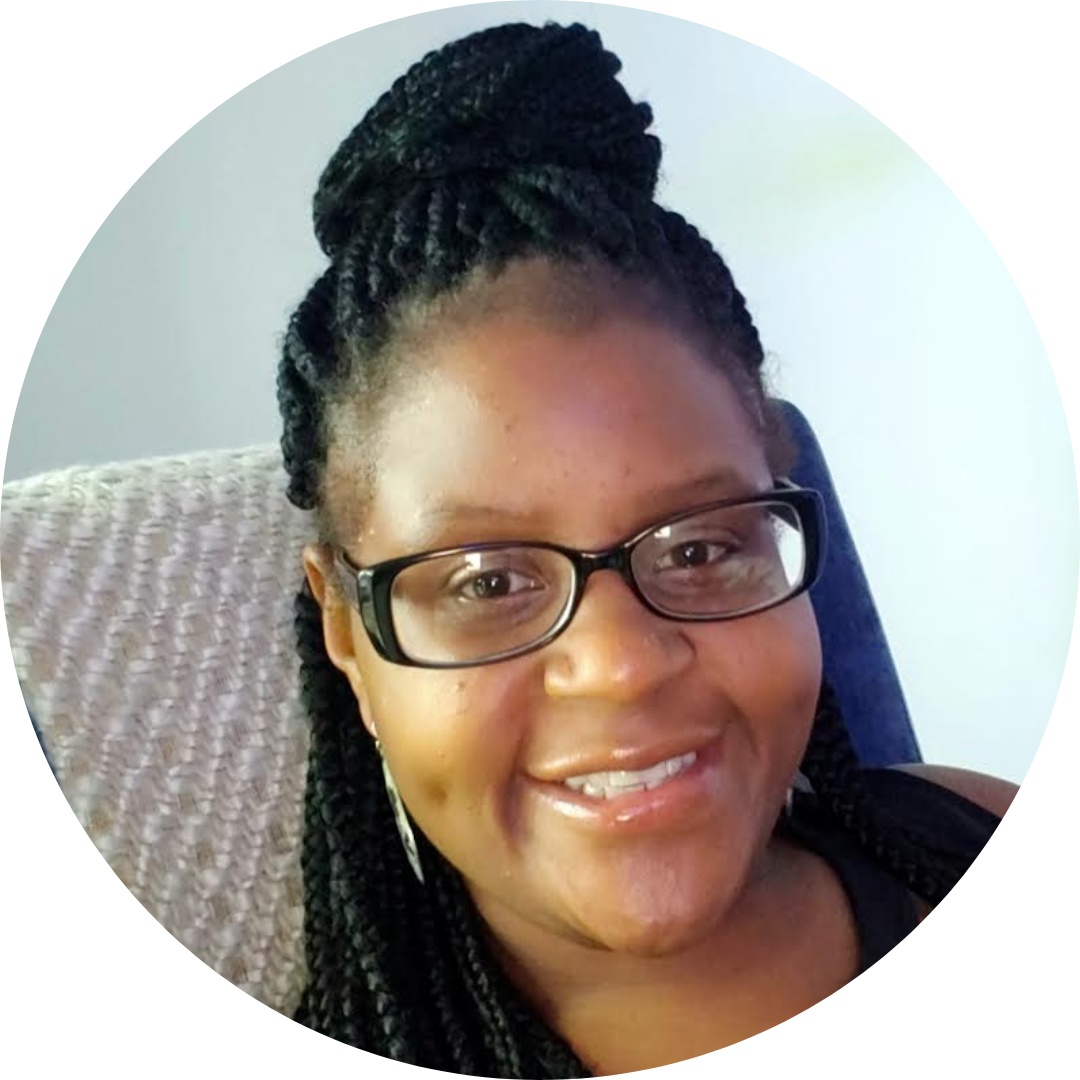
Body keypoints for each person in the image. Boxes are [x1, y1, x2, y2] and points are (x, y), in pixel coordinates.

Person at [277, 22, 1017, 1075]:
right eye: (488, 580)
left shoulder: (967, 826)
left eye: (701, 551)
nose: (621, 665)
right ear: (349, 635)